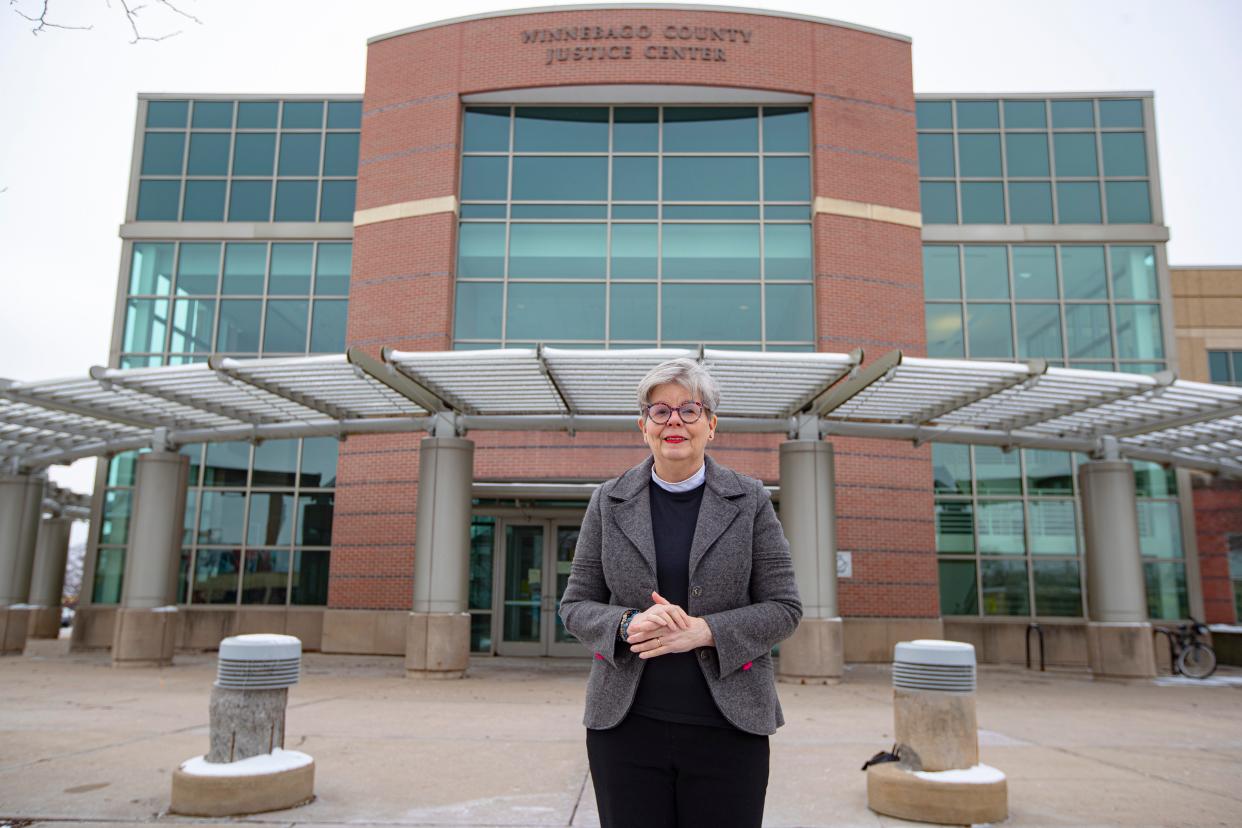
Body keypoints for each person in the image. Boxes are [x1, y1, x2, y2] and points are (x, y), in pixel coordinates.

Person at [559, 357, 803, 828]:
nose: (674, 421)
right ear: (643, 426)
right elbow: (575, 605)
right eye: (660, 411)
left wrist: (704, 631)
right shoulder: (608, 501)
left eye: (689, 410)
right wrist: (626, 623)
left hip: (729, 727)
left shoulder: (749, 499)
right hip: (625, 728)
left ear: (710, 426)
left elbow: (785, 608)